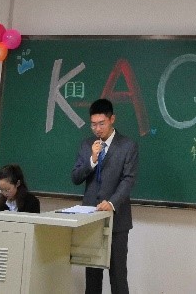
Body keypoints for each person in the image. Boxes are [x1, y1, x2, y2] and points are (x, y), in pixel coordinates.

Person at [72, 99, 138, 294]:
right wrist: (92, 160)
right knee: (92, 278)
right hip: (90, 220)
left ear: (112, 119)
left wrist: (112, 202)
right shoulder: (87, 145)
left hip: (117, 221)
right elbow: (75, 177)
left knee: (118, 276)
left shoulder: (128, 146)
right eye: (93, 124)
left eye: (101, 123)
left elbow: (128, 180)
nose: (97, 129)